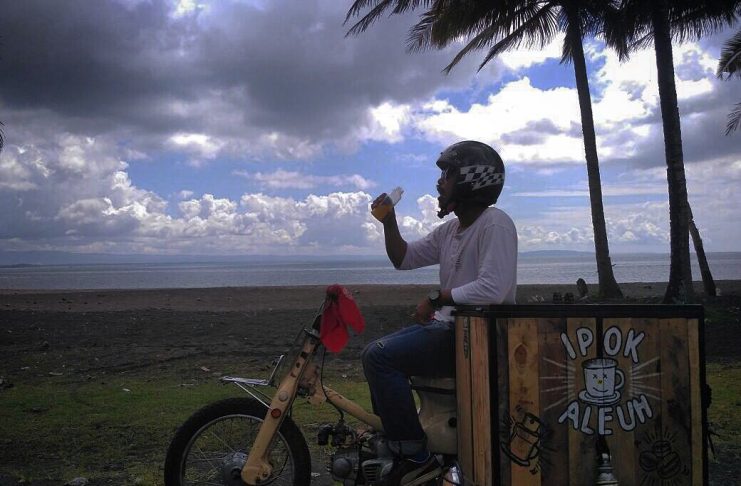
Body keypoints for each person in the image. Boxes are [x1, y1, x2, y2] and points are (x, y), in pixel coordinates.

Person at [362, 140, 517, 485]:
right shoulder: (451, 231)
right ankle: (396, 438)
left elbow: (493, 289)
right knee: (372, 353)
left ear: (471, 180)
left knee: (379, 358)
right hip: (451, 330)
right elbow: (403, 259)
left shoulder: (495, 224)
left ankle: (414, 456)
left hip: (474, 336)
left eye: (448, 174)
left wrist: (436, 299)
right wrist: (389, 222)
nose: (439, 182)